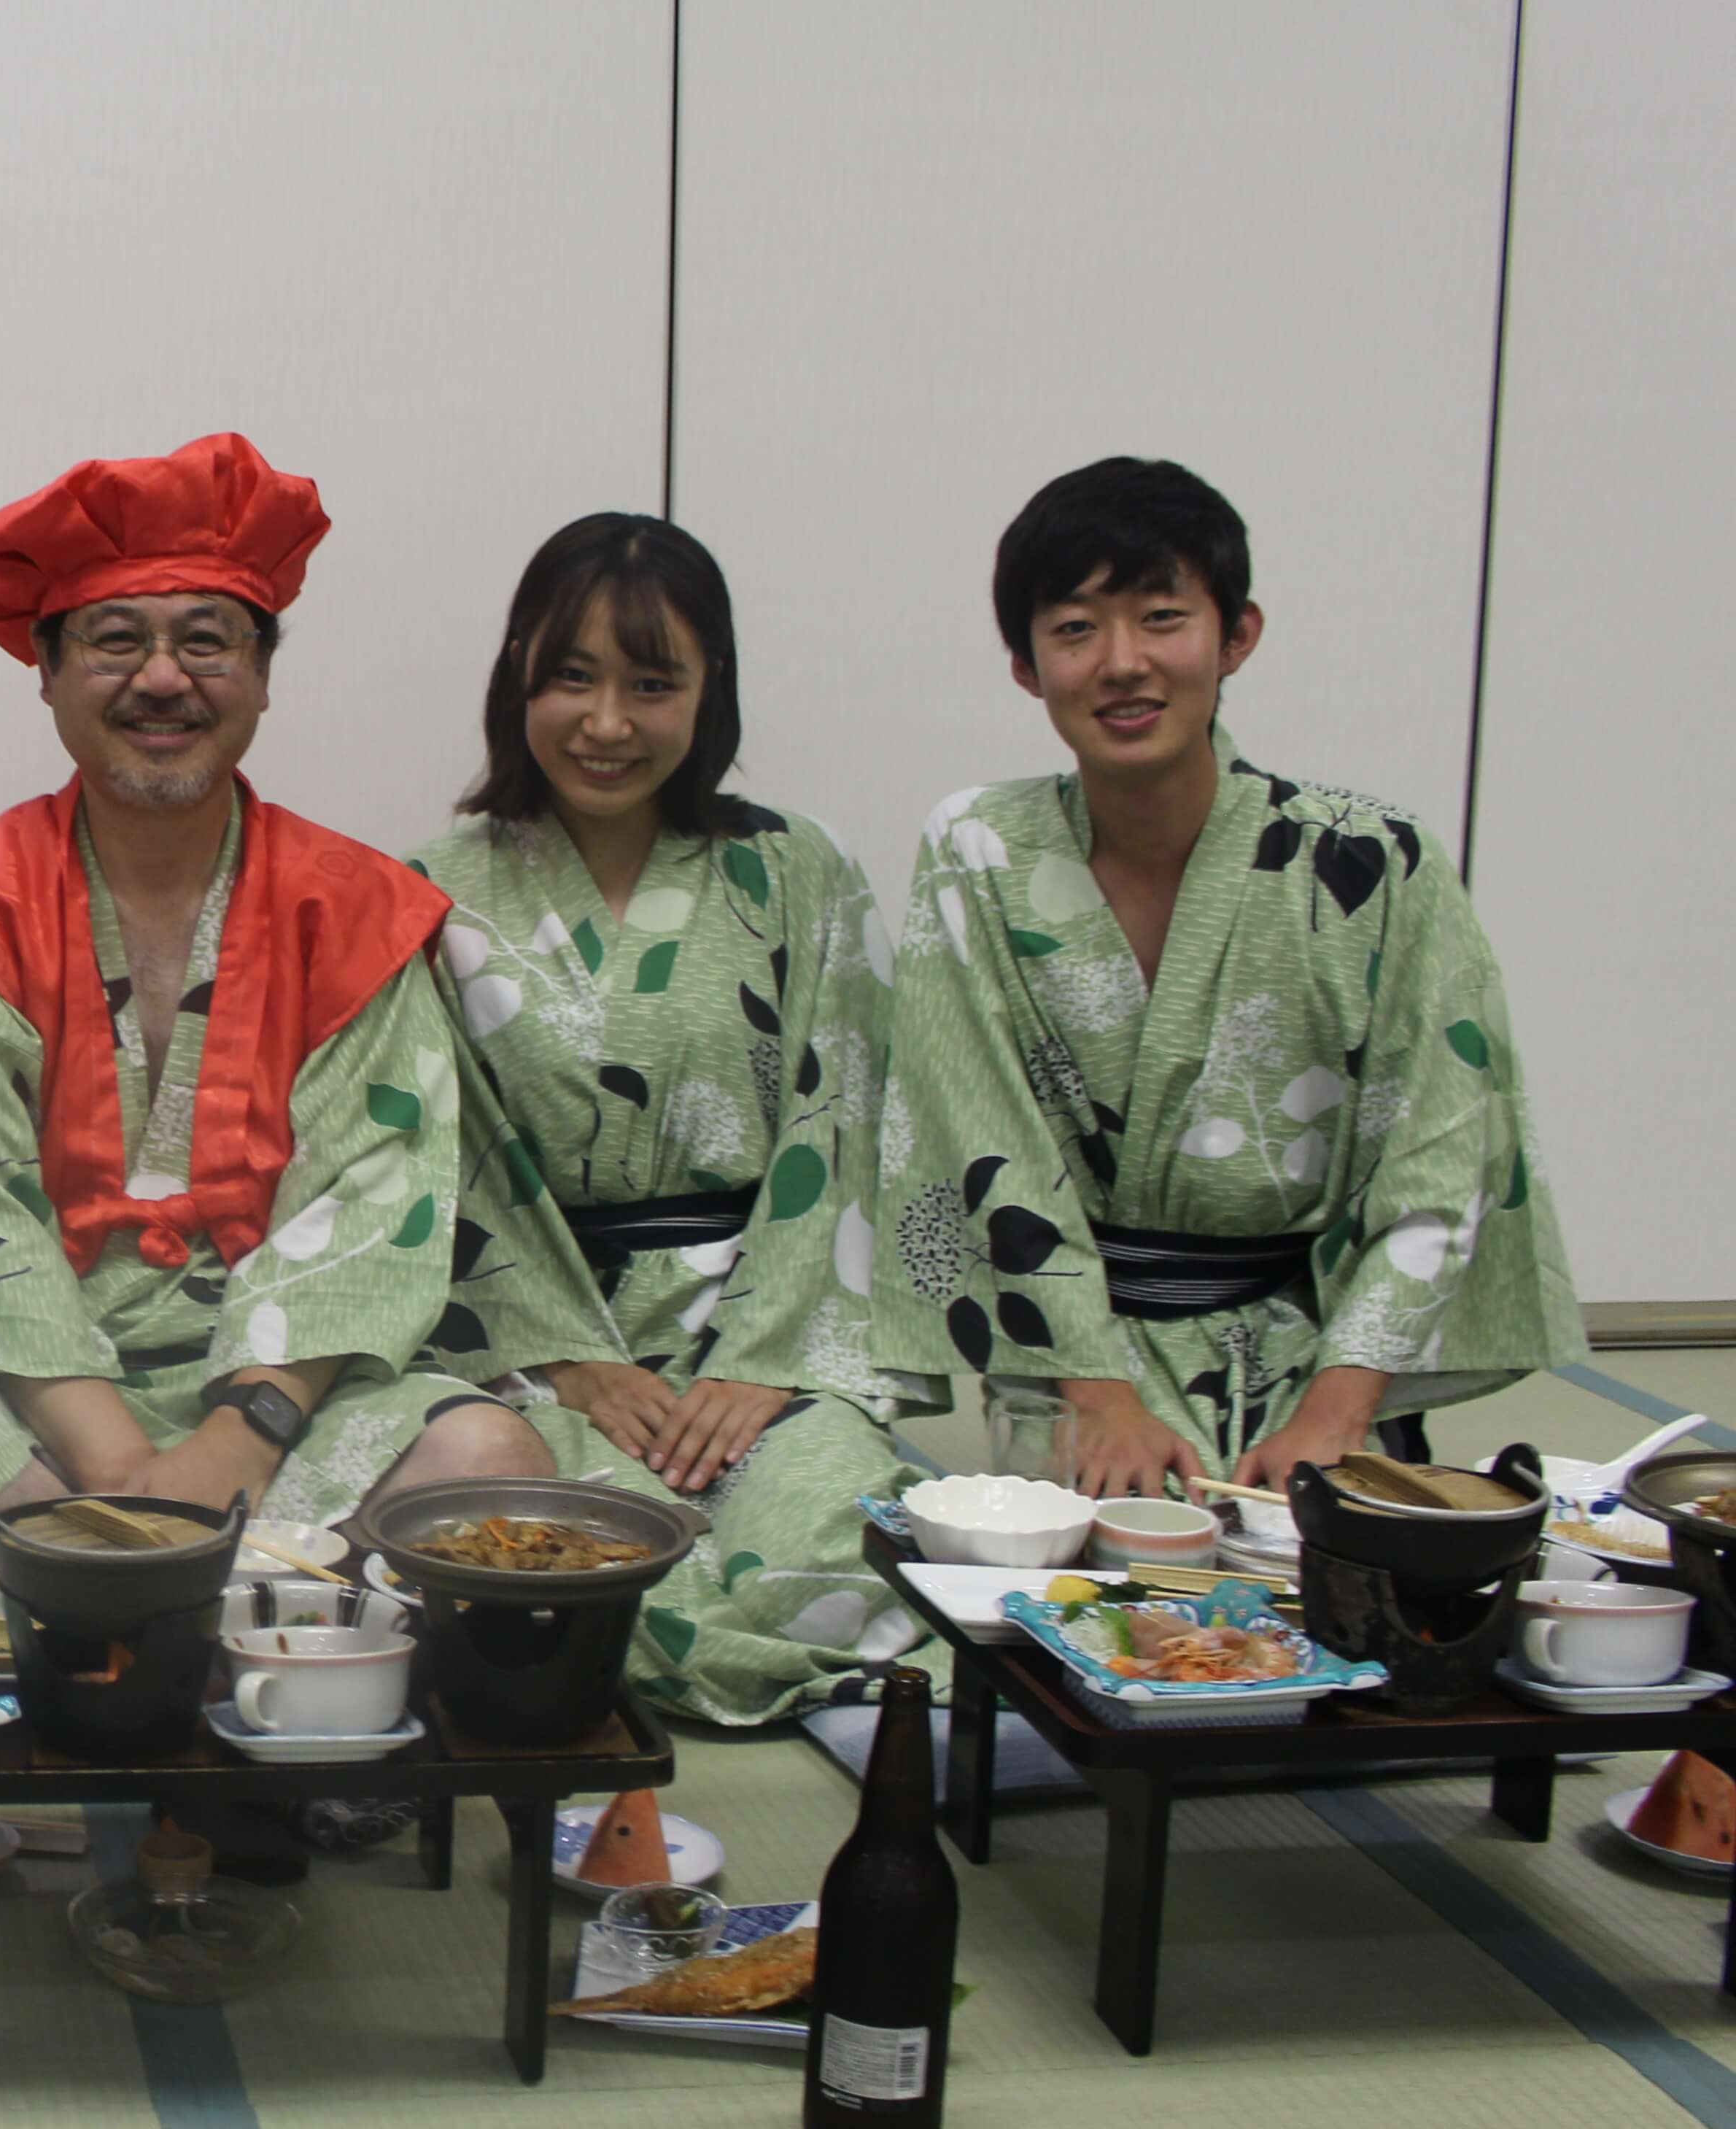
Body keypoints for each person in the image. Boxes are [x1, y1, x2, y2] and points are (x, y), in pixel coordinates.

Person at [0, 433, 551, 1531]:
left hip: (275, 1410)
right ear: (44, 673)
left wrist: (232, 1445)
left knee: (490, 1448)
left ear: (265, 675)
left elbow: (376, 1201)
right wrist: (124, 1467)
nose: (164, 679)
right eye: (117, 640)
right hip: (30, 1412)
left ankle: (67, 1581)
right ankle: (154, 1574)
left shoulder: (353, 912)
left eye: (207, 642)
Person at [872, 457, 1583, 1496]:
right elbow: (977, 1136)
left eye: (1162, 618)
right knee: (1077, 1619)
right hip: (1077, 1364)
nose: (1122, 663)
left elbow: (1443, 1152)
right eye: (1074, 629)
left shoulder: (1376, 862)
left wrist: (1337, 1416)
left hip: (1319, 1362)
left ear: (1237, 636)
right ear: (1027, 665)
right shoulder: (978, 846)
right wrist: (1102, 1397)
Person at [414, 514, 939, 1723]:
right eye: (573, 678)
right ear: (517, 679)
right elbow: (428, 1157)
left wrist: (768, 1360)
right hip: (536, 1355)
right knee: (559, 1560)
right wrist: (567, 1356)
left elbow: (852, 1124)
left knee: (838, 1550)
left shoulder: (801, 870)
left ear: (712, 694)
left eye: (654, 684)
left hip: (757, 1339)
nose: (609, 724)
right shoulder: (428, 891)